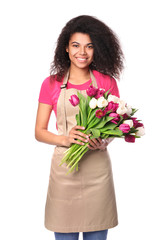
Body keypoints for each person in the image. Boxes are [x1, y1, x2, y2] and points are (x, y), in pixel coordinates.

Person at [35, 15, 124, 240]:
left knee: (97, 234)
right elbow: (39, 131)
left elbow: (115, 123)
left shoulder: (106, 82)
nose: (81, 52)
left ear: (97, 50)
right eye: (75, 45)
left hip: (97, 169)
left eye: (89, 46)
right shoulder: (51, 84)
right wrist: (65, 139)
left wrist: (103, 140)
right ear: (66, 48)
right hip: (65, 169)